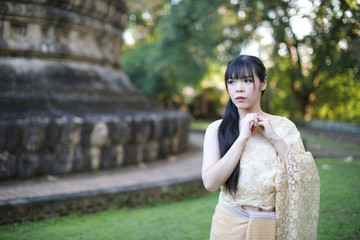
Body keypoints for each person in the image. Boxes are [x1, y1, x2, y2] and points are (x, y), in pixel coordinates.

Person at [201, 55, 320, 240]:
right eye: (232, 82)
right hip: (229, 223)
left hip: (270, 225)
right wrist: (242, 139)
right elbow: (210, 183)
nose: (238, 88)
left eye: (247, 80)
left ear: (263, 83)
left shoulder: (284, 127)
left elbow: (304, 178)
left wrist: (274, 138)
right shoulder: (217, 129)